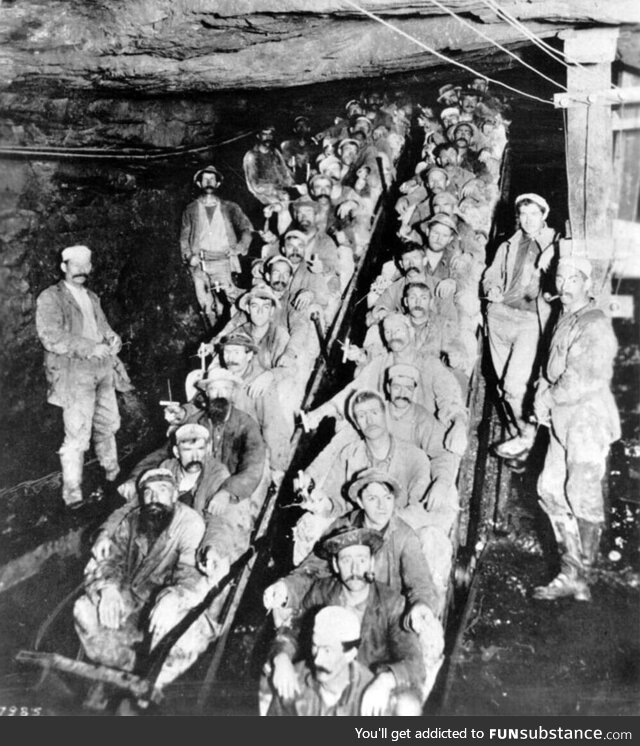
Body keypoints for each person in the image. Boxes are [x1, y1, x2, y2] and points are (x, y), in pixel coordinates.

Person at [73, 468, 214, 696]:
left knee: (183, 631)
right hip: (133, 600)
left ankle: (152, 689)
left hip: (167, 604)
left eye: (162, 490)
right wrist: (108, 589)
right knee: (84, 608)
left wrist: (174, 597)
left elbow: (191, 574)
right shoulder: (134, 519)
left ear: (175, 494)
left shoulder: (190, 523)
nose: (154, 498)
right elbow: (110, 557)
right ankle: (122, 668)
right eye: (147, 492)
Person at [532, 255, 620, 601]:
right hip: (562, 417)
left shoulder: (594, 322)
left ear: (587, 282)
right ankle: (571, 570)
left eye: (571, 279)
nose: (562, 285)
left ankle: (581, 573)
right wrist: (540, 395)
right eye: (559, 278)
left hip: (587, 416)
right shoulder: (565, 317)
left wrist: (549, 396)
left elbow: (581, 376)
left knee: (580, 491)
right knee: (551, 488)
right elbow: (550, 364)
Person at [265, 527, 426, 716]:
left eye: (362, 560)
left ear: (372, 563)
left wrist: (385, 680)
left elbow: (414, 662)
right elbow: (291, 630)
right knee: (274, 679)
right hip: (325, 679)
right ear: (335, 565)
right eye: (346, 560)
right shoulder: (321, 592)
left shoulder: (391, 603)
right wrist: (281, 658)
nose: (355, 569)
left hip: (369, 689)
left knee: (407, 705)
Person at [35, 244, 133, 509]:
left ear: (90, 267)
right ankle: (72, 492)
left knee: (108, 424)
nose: (80, 271)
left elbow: (103, 328)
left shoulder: (92, 297)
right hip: (73, 373)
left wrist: (113, 339)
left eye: (84, 265)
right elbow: (51, 337)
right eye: (73, 265)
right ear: (63, 267)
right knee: (77, 434)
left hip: (102, 369)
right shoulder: (50, 298)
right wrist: (90, 347)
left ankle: (113, 475)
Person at [482, 193, 558, 461]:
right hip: (500, 315)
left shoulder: (556, 243)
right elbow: (490, 274)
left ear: (544, 215)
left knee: (515, 385)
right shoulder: (509, 244)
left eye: (534, 214)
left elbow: (573, 249)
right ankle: (520, 434)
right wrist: (491, 287)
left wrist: (552, 248)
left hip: (529, 322)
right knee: (505, 388)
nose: (528, 220)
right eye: (523, 215)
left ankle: (527, 434)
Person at [180, 165, 254, 330]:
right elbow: (184, 237)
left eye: (212, 179)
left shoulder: (230, 207)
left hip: (223, 262)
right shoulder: (191, 209)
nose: (209, 182)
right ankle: (212, 338)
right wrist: (188, 255)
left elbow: (246, 229)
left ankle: (229, 337)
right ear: (199, 183)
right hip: (200, 264)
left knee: (226, 304)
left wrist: (240, 247)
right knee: (206, 307)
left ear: (218, 183)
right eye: (205, 179)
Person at [265, 606, 375, 716]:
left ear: (350, 654)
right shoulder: (292, 680)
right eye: (315, 646)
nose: (317, 660)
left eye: (327, 650)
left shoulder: (372, 694)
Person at [243, 126, 296, 205]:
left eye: (270, 134)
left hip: (280, 190)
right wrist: (274, 190)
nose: (268, 137)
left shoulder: (274, 152)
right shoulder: (252, 156)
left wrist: (293, 184)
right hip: (262, 195)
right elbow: (255, 186)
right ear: (258, 136)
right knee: (280, 204)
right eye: (264, 134)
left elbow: (285, 172)